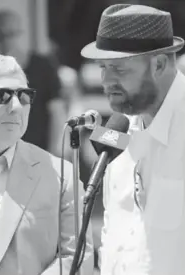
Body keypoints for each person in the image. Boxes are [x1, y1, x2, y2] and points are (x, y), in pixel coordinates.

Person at [0, 52, 94, 275]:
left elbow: (77, 257)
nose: (16, 106)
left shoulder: (62, 175)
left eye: (23, 96)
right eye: (0, 95)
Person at [81, 4, 185, 275]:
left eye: (119, 69)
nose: (106, 81)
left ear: (159, 64)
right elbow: (113, 230)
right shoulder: (118, 134)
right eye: (103, 67)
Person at [0, 10, 64, 156]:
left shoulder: (43, 66)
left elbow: (56, 110)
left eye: (11, 34)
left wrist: (53, 152)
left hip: (38, 151)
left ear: (20, 33)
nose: (6, 41)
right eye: (0, 36)